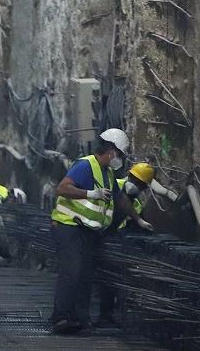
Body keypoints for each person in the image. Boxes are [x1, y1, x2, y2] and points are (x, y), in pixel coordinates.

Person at [50, 127, 142, 334]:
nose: (119, 159)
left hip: (88, 231)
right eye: (119, 154)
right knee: (71, 272)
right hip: (69, 226)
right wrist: (91, 193)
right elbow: (62, 188)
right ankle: (60, 318)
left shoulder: (108, 173)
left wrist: (137, 218)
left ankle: (80, 319)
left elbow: (121, 199)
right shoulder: (85, 165)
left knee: (85, 275)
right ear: (110, 151)